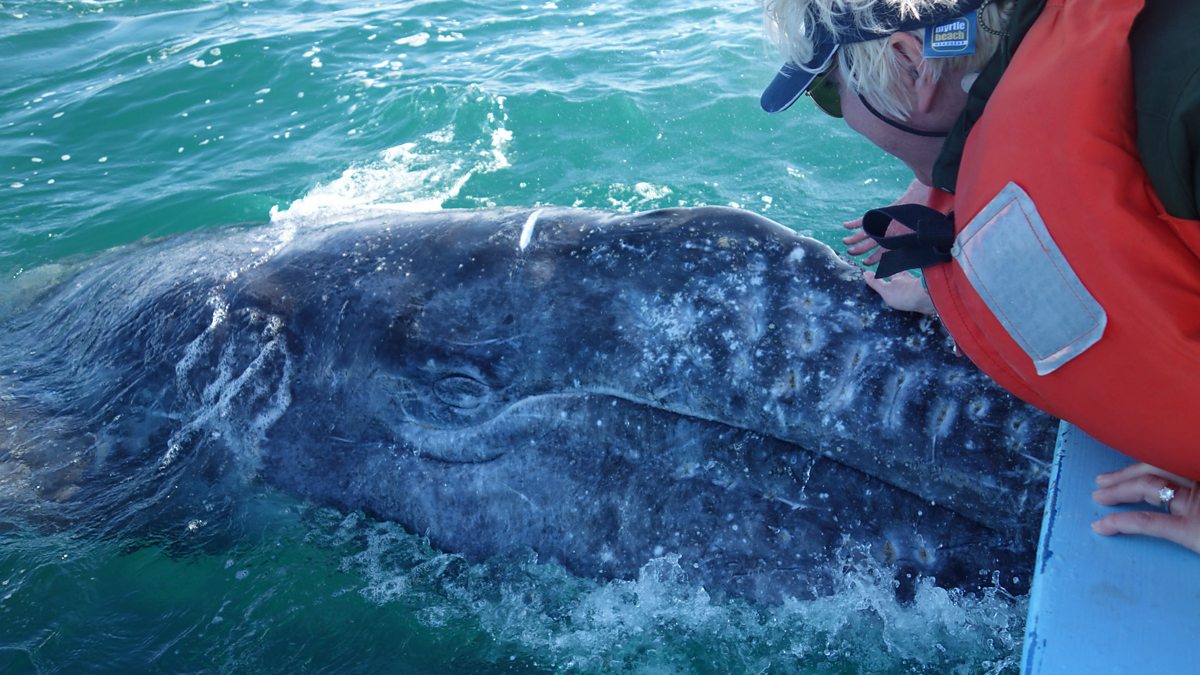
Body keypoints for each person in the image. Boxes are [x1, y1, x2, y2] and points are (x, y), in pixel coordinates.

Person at [756, 0, 1200, 553]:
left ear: (912, 67)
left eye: (829, 92)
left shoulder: (1181, 84)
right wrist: (956, 284)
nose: (841, 114)